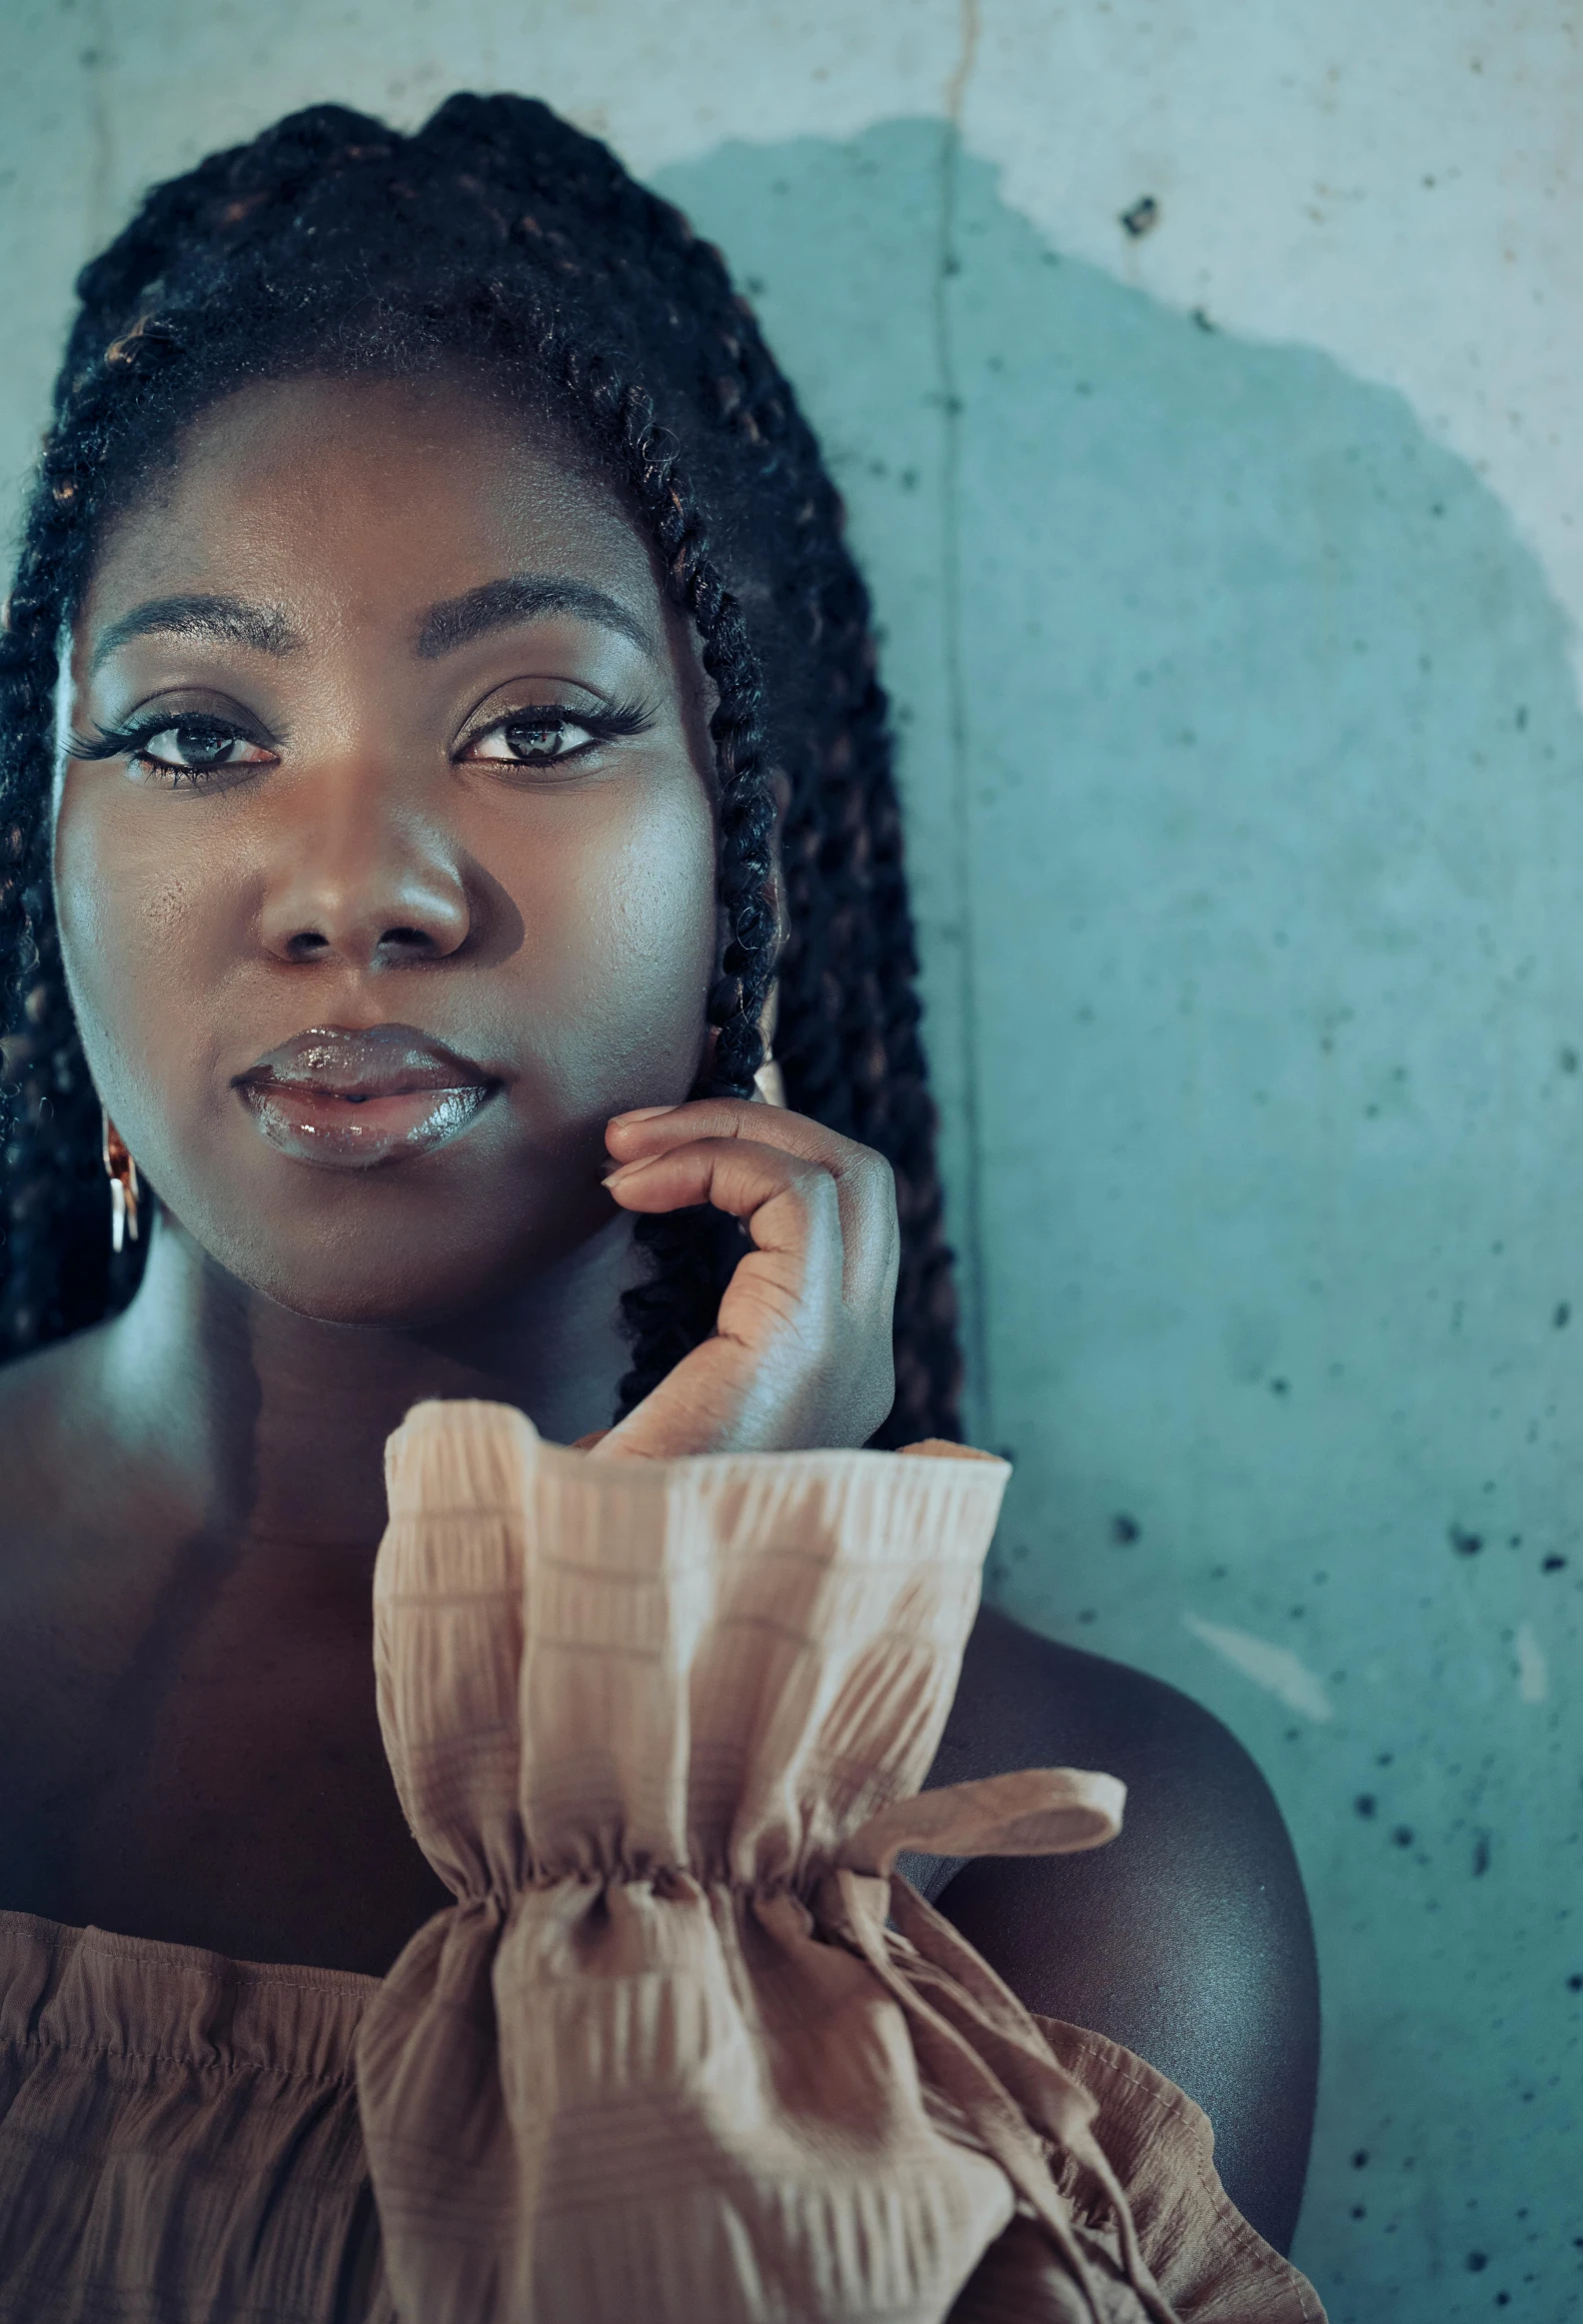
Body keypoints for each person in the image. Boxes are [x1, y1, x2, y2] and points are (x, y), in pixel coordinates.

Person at [0, 96, 1321, 2320]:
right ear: (46, 840)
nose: (354, 888)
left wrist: (687, 1756)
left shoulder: (1074, 1876)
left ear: (749, 857)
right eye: (200, 735)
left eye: (535, 724)